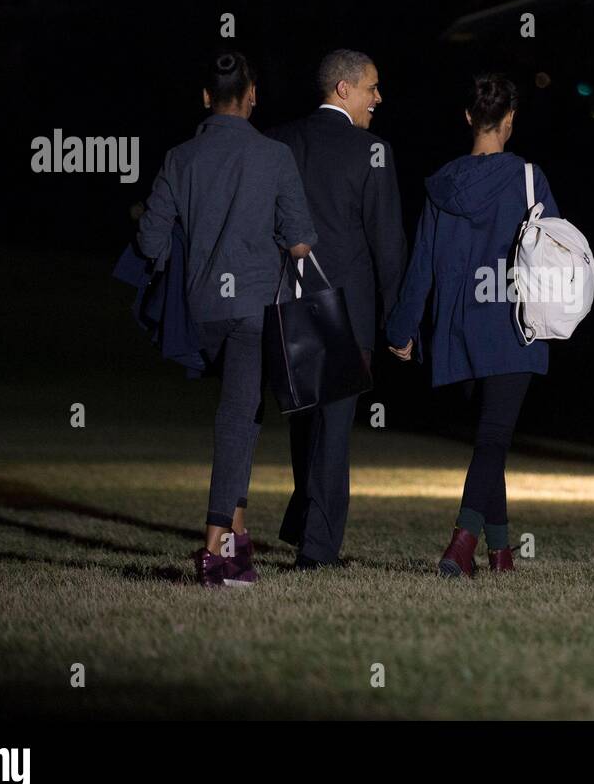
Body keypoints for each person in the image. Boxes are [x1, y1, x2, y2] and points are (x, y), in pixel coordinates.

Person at [137, 51, 316, 586]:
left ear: (205, 98)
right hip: (255, 308)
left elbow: (150, 241)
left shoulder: (180, 158)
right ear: (253, 94)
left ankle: (238, 552)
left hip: (201, 309)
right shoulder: (274, 155)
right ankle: (214, 550)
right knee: (238, 417)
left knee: (246, 415)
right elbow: (301, 240)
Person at [385, 73, 559, 577]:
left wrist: (403, 330)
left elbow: (421, 264)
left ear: (468, 118)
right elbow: (557, 251)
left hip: (461, 329)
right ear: (510, 121)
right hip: (513, 322)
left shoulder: (442, 185)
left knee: (491, 437)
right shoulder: (529, 178)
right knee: (493, 439)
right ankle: (461, 545)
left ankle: (500, 553)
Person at [267, 49, 406, 570]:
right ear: (343, 90)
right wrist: (399, 321)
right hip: (347, 309)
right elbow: (386, 244)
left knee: (305, 426)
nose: (378, 98)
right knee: (332, 430)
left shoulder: (280, 139)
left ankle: (306, 527)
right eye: (372, 87)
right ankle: (317, 549)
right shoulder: (373, 151)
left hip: (287, 299)